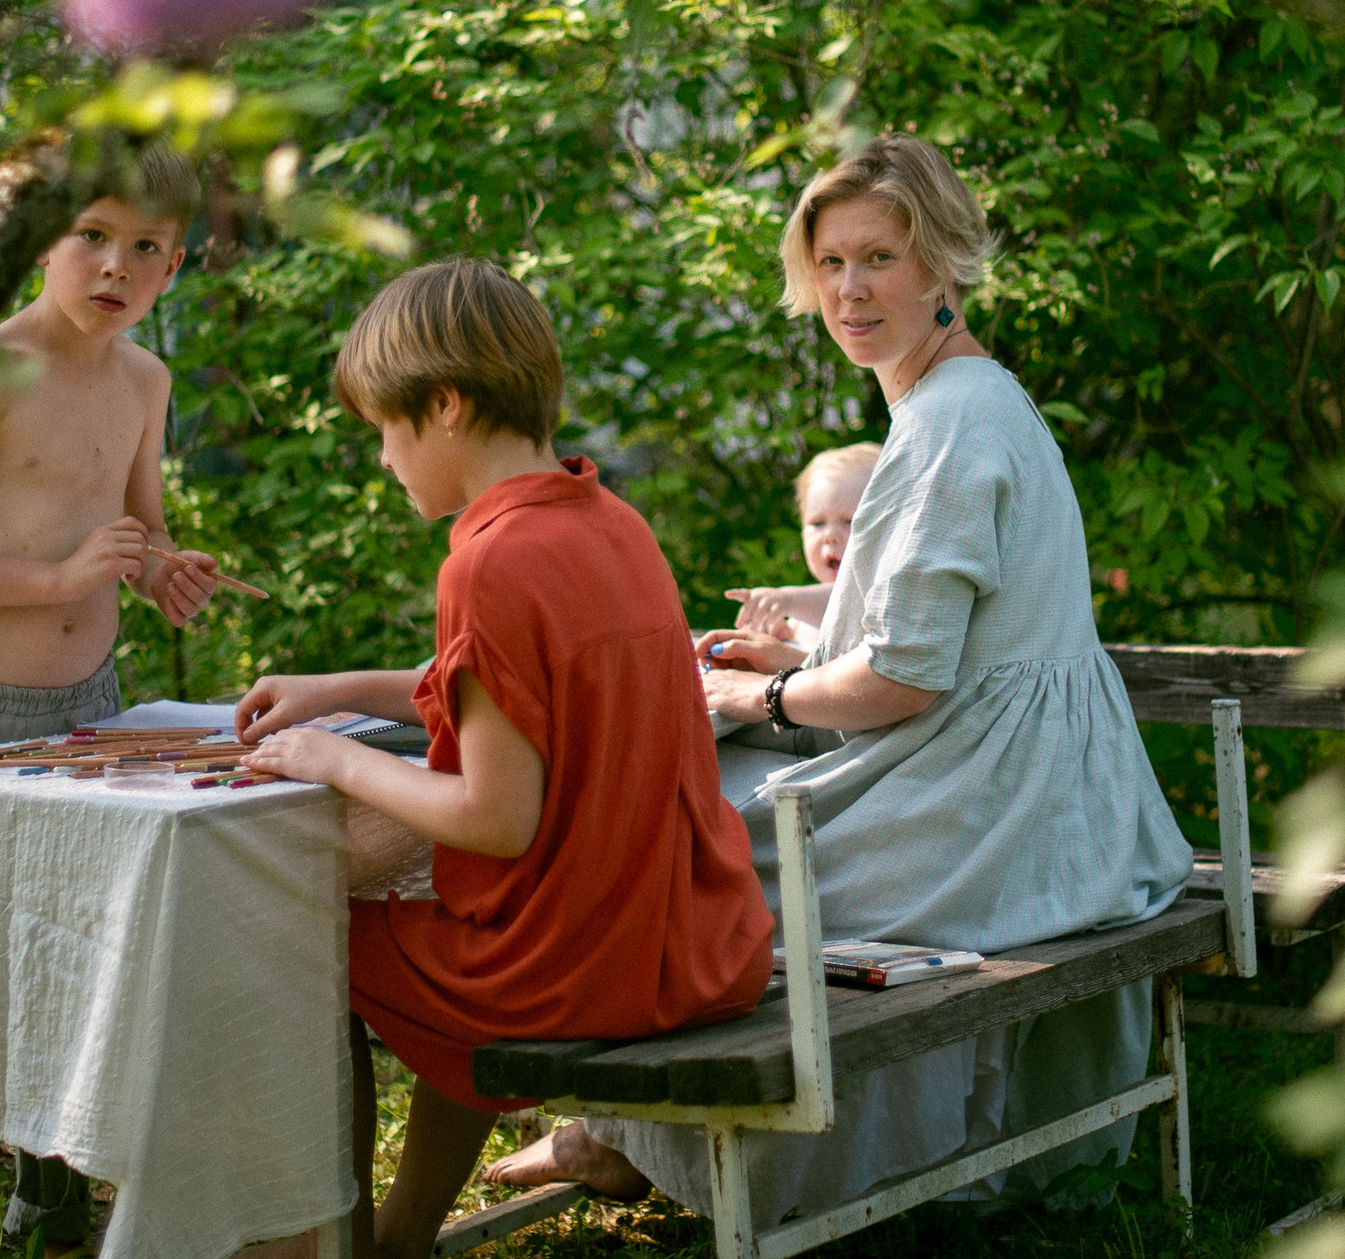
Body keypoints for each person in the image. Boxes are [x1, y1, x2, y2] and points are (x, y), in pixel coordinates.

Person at [488, 134, 1194, 1227]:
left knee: (672, 829)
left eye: (880, 257)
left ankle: (635, 1130)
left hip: (994, 805)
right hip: (1035, 783)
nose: (850, 289)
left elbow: (907, 682)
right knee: (699, 798)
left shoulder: (949, 423)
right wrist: (798, 659)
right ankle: (634, 1132)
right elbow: (945, 642)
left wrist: (753, 698)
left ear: (944, 263)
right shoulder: (969, 397)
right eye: (830, 263)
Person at [233, 257, 774, 1259]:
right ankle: (399, 1236)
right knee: (426, 922)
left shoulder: (485, 560)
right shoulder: (607, 521)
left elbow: (494, 815)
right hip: (695, 941)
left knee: (296, 942)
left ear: (442, 404)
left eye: (385, 432)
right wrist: (341, 689)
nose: (385, 461)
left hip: (576, 971)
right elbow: (523, 694)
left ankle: (340, 1244)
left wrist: (330, 758)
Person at [0, 145, 221, 1259]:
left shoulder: (145, 379)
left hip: (88, 707)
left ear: (174, 267)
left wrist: (160, 567)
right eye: (93, 235)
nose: (117, 264)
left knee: (71, 959)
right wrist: (57, 579)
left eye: (147, 248)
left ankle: (53, 1209)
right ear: (44, 240)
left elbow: (137, 516)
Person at [723, 442, 881, 649]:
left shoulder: (880, 600)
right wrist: (781, 638)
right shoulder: (801, 616)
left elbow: (850, 603)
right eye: (817, 523)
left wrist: (788, 599)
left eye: (849, 521)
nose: (830, 536)